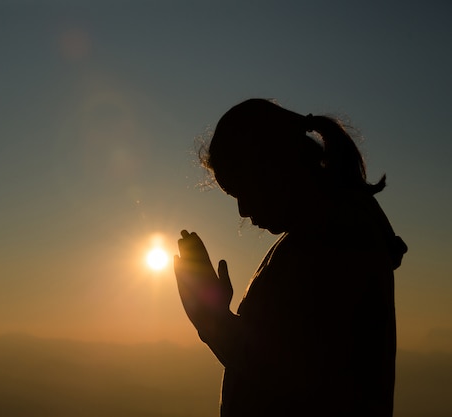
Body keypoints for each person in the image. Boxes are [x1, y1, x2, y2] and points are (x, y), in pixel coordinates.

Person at [173, 99, 407, 417]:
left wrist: (212, 320)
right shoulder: (327, 233)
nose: (242, 209)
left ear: (274, 166)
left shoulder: (335, 242)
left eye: (243, 188)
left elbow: (290, 376)